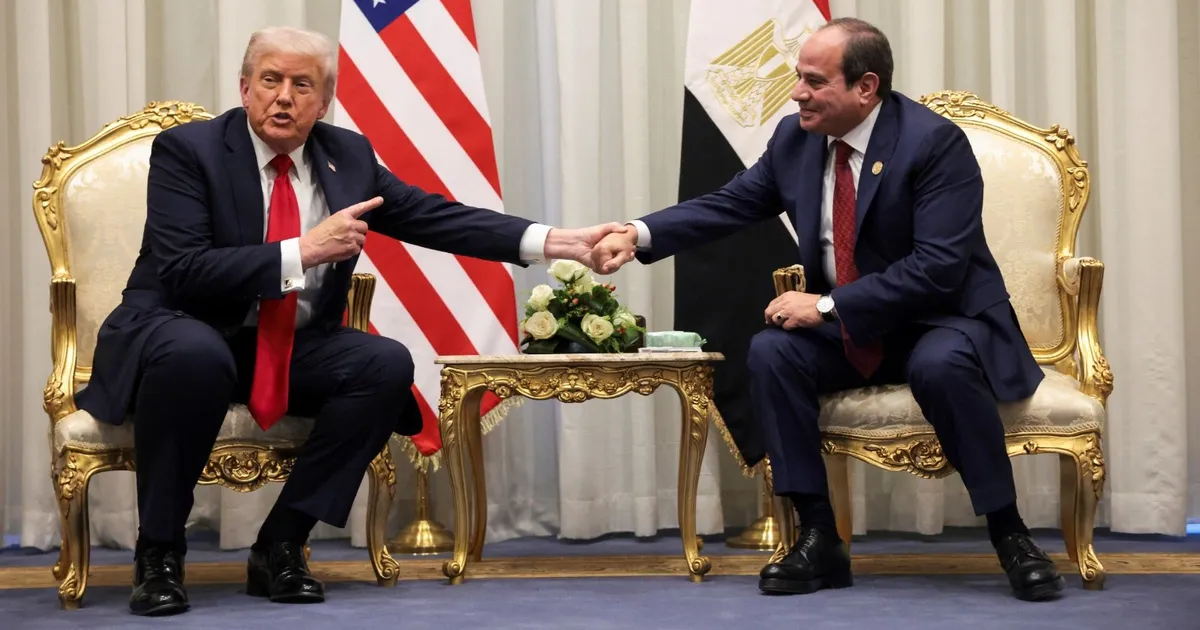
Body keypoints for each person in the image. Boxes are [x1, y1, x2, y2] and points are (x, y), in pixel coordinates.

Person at [77, 26, 620, 616]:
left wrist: (556, 242)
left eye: (302, 85)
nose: (284, 97)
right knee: (195, 355)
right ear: (245, 88)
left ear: (323, 102)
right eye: (270, 80)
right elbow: (184, 270)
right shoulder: (190, 150)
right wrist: (302, 251)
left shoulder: (348, 156)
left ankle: (281, 544)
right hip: (182, 328)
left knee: (382, 364)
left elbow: (436, 217)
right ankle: (159, 552)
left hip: (286, 343)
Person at [591, 17, 1064, 602]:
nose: (797, 93)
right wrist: (636, 234)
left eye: (814, 81)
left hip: (938, 319)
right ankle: (818, 537)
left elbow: (938, 267)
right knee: (772, 352)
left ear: (866, 87)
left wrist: (826, 304)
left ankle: (1010, 534)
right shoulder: (796, 138)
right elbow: (730, 203)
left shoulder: (932, 143)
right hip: (855, 329)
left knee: (939, 364)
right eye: (799, 77)